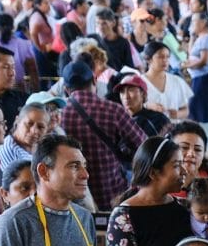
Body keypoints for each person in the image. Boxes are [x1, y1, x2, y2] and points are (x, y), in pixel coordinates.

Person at [107, 136, 193, 246]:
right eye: (176, 166)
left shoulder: (184, 207)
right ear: (153, 172)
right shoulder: (123, 217)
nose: (184, 171)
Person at [58, 60, 145, 212]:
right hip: (113, 195)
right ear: (94, 80)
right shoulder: (113, 110)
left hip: (77, 200)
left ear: (66, 89)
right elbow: (144, 145)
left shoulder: (59, 116)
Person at [184, 13, 208, 134]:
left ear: (203, 22)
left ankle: (192, 135)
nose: (192, 25)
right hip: (200, 77)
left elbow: (204, 61)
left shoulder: (207, 37)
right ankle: (197, 134)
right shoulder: (200, 37)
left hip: (205, 78)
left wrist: (187, 65)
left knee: (194, 108)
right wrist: (192, 36)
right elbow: (191, 53)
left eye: (194, 21)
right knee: (201, 108)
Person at [141, 41, 190, 121]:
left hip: (174, 129)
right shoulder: (139, 82)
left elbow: (185, 110)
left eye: (167, 57)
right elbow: (132, 110)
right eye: (160, 57)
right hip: (150, 130)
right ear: (148, 59)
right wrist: (148, 106)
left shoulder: (176, 80)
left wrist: (177, 114)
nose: (165, 60)